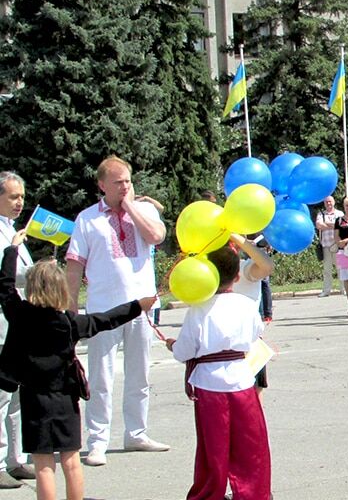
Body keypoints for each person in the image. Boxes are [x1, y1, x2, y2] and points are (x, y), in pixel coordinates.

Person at [1, 229, 156, 500]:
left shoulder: (19, 314)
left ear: (31, 288)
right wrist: (137, 306)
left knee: (44, 467)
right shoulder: (69, 323)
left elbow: (4, 287)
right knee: (71, 461)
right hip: (65, 398)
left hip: (34, 399)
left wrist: (11, 251)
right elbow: (106, 319)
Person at [65, 156, 170, 467]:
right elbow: (74, 267)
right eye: (117, 182)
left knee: (140, 373)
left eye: (127, 180)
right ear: (101, 185)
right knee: (101, 377)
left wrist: (131, 206)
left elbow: (156, 237)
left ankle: (136, 432)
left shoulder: (145, 211)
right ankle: (97, 440)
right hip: (102, 310)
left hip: (142, 306)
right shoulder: (87, 219)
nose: (124, 186)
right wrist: (71, 306)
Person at [166, 245, 271, 500]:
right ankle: (252, 492)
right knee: (250, 443)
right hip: (241, 378)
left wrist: (172, 345)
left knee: (212, 446)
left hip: (208, 383)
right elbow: (256, 333)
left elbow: (184, 351)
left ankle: (210, 492)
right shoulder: (246, 305)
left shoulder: (199, 308)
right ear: (237, 276)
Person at [0, 172, 33, 487]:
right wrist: (35, 273)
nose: (19, 202)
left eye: (21, 196)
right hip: (1, 325)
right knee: (0, 396)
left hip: (18, 325)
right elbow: (7, 276)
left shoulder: (12, 231)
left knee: (17, 397)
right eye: (13, 197)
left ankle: (16, 459)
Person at [228, 234, 274, 397]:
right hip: (219, 349)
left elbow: (267, 266)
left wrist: (235, 236)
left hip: (249, 347)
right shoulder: (205, 272)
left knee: (253, 400)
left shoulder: (244, 268)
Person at [315, 196, 341, 298]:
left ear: (334, 202)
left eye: (330, 201)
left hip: (337, 245)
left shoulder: (339, 214)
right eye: (326, 202)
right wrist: (334, 225)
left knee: (340, 268)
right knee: (327, 270)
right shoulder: (321, 214)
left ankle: (343, 289)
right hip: (325, 245)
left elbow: (341, 225)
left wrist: (326, 224)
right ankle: (326, 291)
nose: (328, 203)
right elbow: (318, 225)